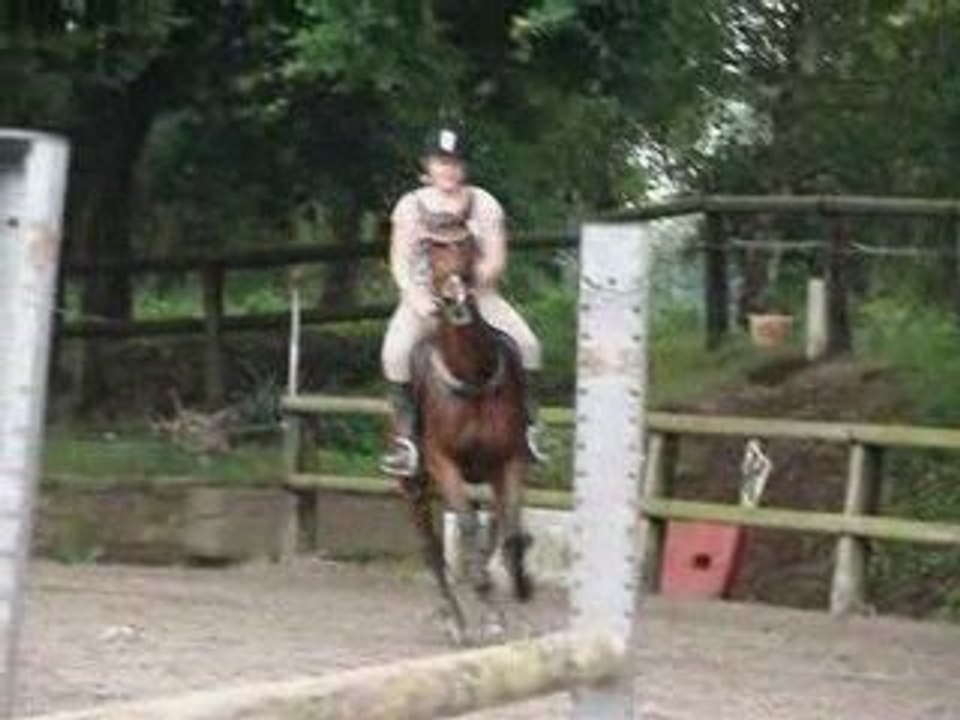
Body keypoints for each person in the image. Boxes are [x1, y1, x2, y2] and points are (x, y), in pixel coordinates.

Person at [379, 128, 546, 477]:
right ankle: (407, 441)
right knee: (395, 353)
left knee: (529, 345)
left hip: (477, 296)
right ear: (428, 165)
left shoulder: (484, 204)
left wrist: (471, 286)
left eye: (455, 163)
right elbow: (400, 262)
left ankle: (529, 429)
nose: (448, 170)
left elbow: (495, 259)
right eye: (442, 163)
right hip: (424, 298)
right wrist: (416, 297)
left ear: (464, 167)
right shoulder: (410, 207)